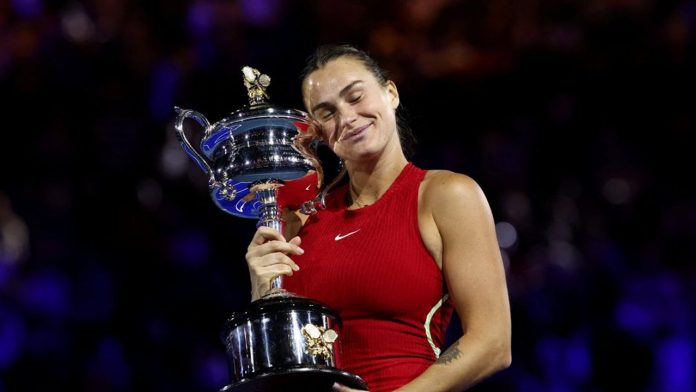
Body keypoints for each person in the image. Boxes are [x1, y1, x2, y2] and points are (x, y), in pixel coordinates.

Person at [245, 44, 511, 392]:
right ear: (317, 133)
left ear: (391, 93)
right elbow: (278, 367)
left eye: (355, 97)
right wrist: (261, 289)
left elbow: (492, 343)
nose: (347, 118)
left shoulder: (446, 195)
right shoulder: (300, 223)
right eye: (327, 112)